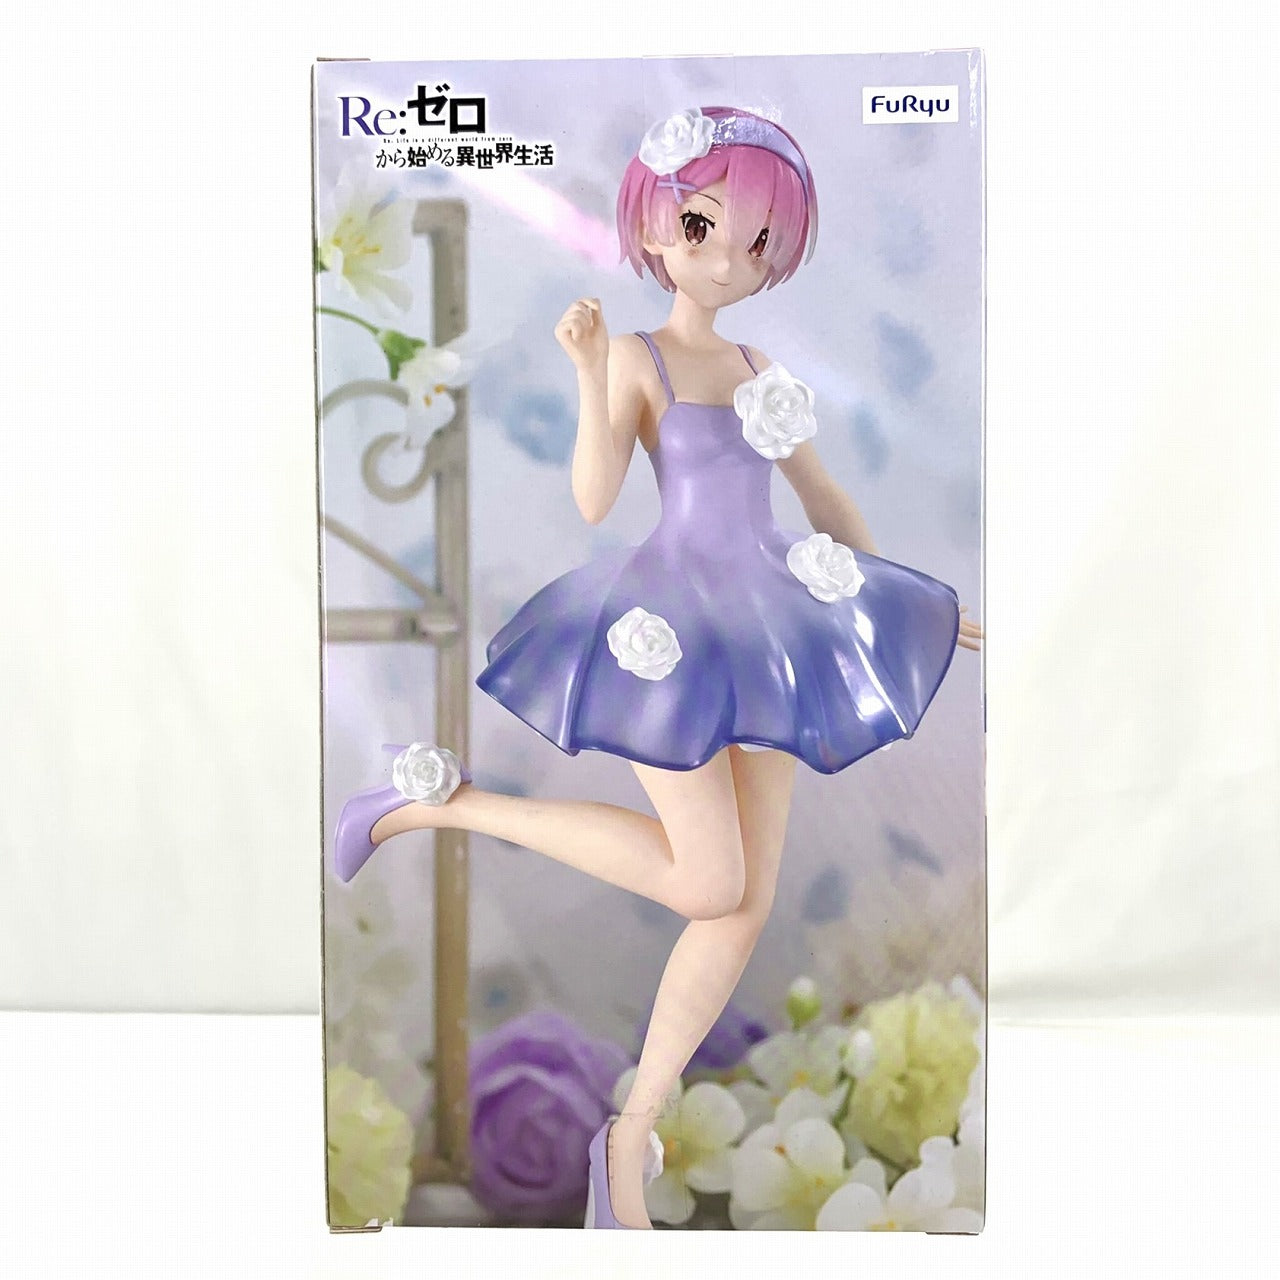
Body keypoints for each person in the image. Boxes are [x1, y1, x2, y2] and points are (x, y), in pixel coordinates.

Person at [333, 104, 983, 1230]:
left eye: (756, 242)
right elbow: (596, 499)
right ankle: (432, 804)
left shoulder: (758, 365)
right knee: (707, 884)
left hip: (774, 624)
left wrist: (912, 606)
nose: (726, 260)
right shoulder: (638, 355)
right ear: (654, 226)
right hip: (672, 626)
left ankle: (631, 1133)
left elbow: (823, 500)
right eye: (701, 227)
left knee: (740, 904)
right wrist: (591, 372)